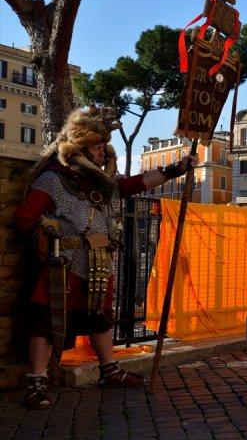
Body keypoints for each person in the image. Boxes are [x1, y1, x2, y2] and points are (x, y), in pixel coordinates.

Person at [13, 106, 196, 409]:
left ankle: (108, 370)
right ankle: (36, 381)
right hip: (65, 266)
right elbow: (24, 217)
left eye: (103, 146)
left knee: (101, 319)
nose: (103, 152)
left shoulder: (105, 182)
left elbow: (137, 183)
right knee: (45, 321)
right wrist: (49, 233)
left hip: (99, 264)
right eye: (97, 146)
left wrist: (175, 169)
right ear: (81, 148)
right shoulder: (53, 179)